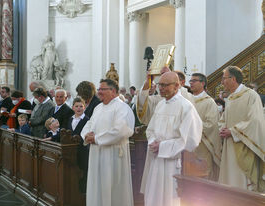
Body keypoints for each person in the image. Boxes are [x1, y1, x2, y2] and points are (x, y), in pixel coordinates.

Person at [141, 72, 202, 206]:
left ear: (176, 86)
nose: (161, 88)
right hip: (156, 160)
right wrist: (153, 143)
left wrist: (162, 146)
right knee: (154, 197)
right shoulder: (161, 105)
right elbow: (150, 130)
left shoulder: (186, 106)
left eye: (165, 85)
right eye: (160, 85)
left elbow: (190, 140)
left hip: (173, 163)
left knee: (170, 199)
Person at [81, 79, 135, 206]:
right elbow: (89, 124)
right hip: (96, 153)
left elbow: (121, 130)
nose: (99, 92)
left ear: (113, 91)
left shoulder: (122, 108)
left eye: (102, 89)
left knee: (112, 189)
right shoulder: (98, 108)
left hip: (113, 155)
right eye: (99, 89)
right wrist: (86, 135)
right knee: (97, 187)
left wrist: (97, 138)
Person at [219, 66, 265, 192]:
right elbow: (224, 119)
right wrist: (222, 128)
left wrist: (233, 131)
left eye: (224, 78)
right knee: (229, 182)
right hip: (229, 145)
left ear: (233, 79)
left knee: (241, 184)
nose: (222, 82)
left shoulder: (251, 96)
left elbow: (255, 121)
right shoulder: (231, 97)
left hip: (244, 146)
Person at [189, 73, 222, 180]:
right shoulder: (187, 101)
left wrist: (190, 125)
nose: (191, 83)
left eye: (194, 80)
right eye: (190, 81)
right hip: (187, 147)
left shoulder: (209, 102)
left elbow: (211, 125)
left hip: (203, 146)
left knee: (203, 178)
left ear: (203, 83)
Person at [68, 97, 89, 193]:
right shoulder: (70, 119)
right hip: (72, 150)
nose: (79, 108)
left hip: (83, 150)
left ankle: (83, 193)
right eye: (76, 106)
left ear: (84, 107)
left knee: (83, 170)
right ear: (73, 107)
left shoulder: (87, 120)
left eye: (81, 106)